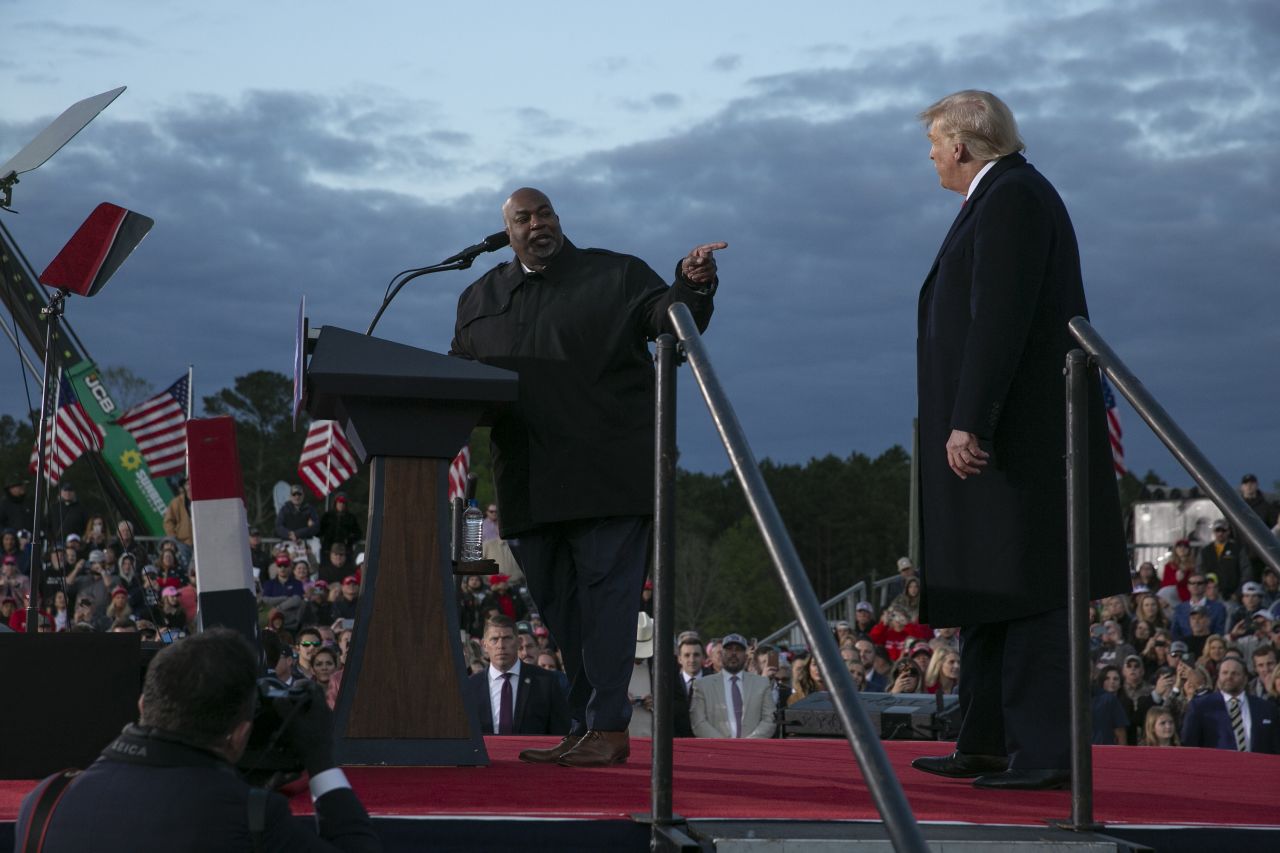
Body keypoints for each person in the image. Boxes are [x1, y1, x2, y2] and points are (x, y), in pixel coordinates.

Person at [449, 186, 724, 768]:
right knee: (562, 614)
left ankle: (608, 725)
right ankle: (584, 724)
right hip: (528, 484)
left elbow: (669, 318)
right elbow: (458, 384)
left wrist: (693, 284)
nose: (537, 224)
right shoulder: (480, 296)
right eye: (523, 218)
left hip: (609, 481)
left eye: (544, 212)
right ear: (507, 231)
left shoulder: (615, 274)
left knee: (608, 608)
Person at [910, 90, 1128, 792]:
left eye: (935, 144)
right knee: (985, 585)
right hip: (998, 440)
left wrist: (970, 416)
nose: (932, 156)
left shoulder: (1012, 199)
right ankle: (985, 740)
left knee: (1029, 588)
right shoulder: (999, 196)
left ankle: (1041, 751)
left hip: (1018, 442)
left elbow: (998, 315)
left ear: (964, 146)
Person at [15, 628, 381, 851]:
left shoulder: (46, 800)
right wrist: (321, 760)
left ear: (143, 703)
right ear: (238, 736)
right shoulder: (251, 817)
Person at [463, 615, 571, 736]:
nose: (501, 645)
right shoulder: (470, 687)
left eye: (507, 638)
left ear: (518, 642)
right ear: (485, 645)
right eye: (494, 639)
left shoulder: (546, 682)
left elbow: (562, 735)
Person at [1180, 657, 1279, 753]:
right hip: (1215, 768)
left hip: (1257, 768)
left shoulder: (1266, 708)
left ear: (1245, 678)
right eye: (1224, 673)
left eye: (1235, 673)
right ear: (1218, 677)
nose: (1229, 677)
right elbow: (1189, 745)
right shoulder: (1200, 707)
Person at [689, 634, 775, 738]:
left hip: (752, 750)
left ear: (746, 655)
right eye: (729, 649)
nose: (733, 653)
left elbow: (769, 719)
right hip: (716, 750)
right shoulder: (702, 685)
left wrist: (749, 744)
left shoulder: (761, 683)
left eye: (738, 650)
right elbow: (698, 723)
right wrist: (726, 746)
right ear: (722, 654)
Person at [319, 493, 362, 557]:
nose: (341, 504)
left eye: (343, 503)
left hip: (345, 551)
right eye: (339, 502)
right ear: (335, 503)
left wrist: (349, 540)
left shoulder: (351, 517)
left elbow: (358, 534)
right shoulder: (327, 516)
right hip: (328, 550)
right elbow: (319, 532)